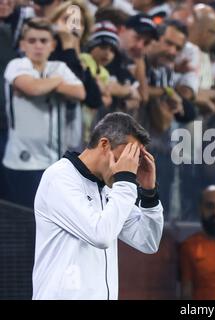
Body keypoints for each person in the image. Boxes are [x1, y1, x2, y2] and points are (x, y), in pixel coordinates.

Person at [33, 112, 164, 300]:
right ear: (104, 144)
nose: (129, 168)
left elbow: (148, 241)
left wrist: (149, 193)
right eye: (124, 158)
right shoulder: (60, 177)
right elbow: (100, 235)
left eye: (134, 161)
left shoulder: (109, 189)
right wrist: (125, 181)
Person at [3, 18, 85, 208]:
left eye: (43, 41)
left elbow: (80, 92)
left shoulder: (58, 67)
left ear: (52, 45)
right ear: (23, 45)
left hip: (54, 160)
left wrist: (50, 82)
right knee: (23, 221)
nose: (38, 46)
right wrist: (57, 82)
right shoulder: (16, 65)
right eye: (32, 41)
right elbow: (32, 88)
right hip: (22, 160)